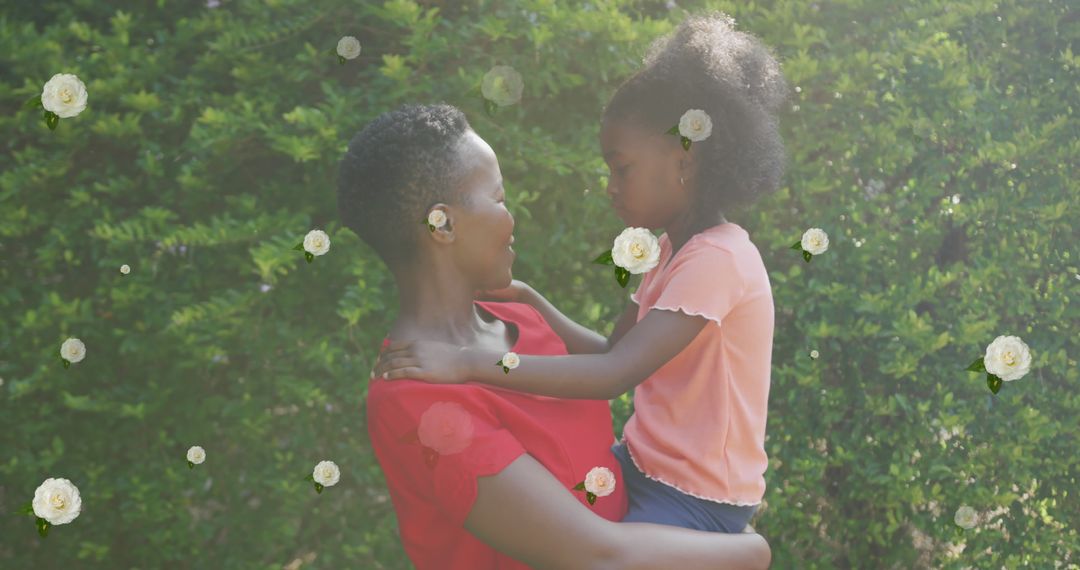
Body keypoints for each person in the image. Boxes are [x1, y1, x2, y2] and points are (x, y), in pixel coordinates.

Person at [374, 11, 788, 535]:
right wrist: (529, 299)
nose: (610, 186)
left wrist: (465, 362)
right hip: (645, 470)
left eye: (623, 168)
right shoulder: (674, 251)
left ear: (685, 161)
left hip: (698, 501)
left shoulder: (718, 260)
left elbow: (613, 377)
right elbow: (609, 352)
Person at [339, 103, 772, 569]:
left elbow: (611, 369)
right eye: (500, 198)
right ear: (442, 224)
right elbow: (596, 556)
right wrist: (753, 550)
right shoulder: (418, 398)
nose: (513, 215)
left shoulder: (521, 322)